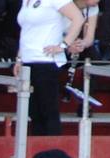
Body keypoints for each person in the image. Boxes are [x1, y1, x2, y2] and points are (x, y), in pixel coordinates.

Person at [16, 0, 83, 135]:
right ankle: (37, 149)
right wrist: (19, 59)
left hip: (45, 61)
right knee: (34, 112)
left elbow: (78, 18)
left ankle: (52, 147)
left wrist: (63, 45)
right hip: (28, 60)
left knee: (48, 111)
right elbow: (26, 32)